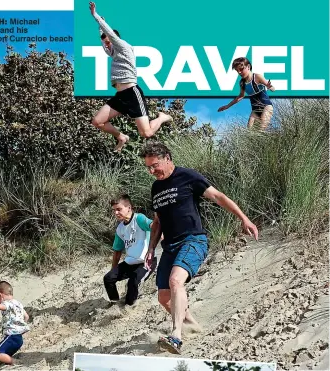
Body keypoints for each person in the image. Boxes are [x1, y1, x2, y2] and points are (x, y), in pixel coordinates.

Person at [140, 142, 259, 354]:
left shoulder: (187, 176)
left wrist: (244, 218)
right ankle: (192, 325)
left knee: (176, 280)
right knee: (164, 298)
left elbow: (218, 197)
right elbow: (157, 222)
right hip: (170, 246)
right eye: (148, 168)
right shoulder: (156, 187)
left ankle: (176, 336)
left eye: (155, 165)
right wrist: (150, 249)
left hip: (193, 240)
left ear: (167, 158)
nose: (152, 171)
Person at [89, 2, 172, 152]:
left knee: (146, 133)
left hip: (132, 93)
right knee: (97, 121)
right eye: (105, 44)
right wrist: (100, 30)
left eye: (108, 42)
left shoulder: (123, 47)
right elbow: (104, 41)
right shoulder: (113, 52)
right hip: (120, 95)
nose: (106, 46)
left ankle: (162, 117)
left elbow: (110, 35)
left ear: (115, 40)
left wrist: (96, 16)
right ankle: (121, 137)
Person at [104, 194, 157, 306]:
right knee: (108, 278)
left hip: (146, 262)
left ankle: (129, 306)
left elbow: (154, 226)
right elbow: (117, 251)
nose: (116, 213)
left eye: (119, 209)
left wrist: (161, 236)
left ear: (129, 207)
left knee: (133, 282)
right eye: (114, 210)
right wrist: (113, 270)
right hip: (130, 263)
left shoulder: (139, 219)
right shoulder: (120, 228)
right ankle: (115, 303)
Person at [218, 57, 275, 130]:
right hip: (255, 110)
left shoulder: (257, 77)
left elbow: (273, 88)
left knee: (261, 131)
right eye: (237, 70)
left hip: (266, 107)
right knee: (249, 132)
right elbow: (240, 96)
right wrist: (227, 106)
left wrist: (269, 86)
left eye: (241, 69)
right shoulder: (242, 83)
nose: (239, 72)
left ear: (248, 67)